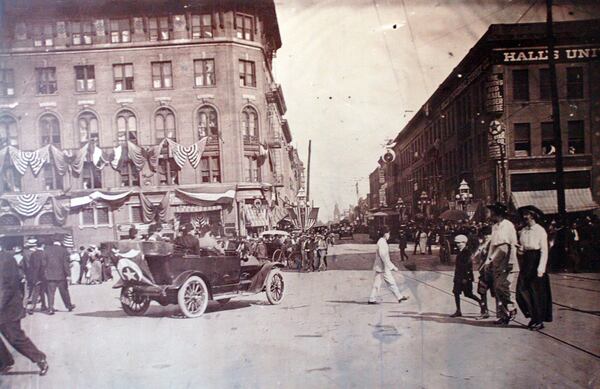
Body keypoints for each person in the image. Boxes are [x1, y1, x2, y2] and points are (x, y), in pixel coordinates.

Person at [0, 243, 49, 376]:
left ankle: (40, 359)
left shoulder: (5, 259)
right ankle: (4, 362)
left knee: (15, 337)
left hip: (8, 307)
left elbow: (6, 288)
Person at [516, 206, 553, 330]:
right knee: (521, 291)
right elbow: (522, 249)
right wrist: (520, 250)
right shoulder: (523, 231)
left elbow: (544, 251)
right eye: (524, 215)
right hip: (526, 261)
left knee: (536, 293)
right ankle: (532, 315)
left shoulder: (540, 230)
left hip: (536, 261)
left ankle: (539, 320)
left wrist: (541, 268)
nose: (525, 217)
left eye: (527, 215)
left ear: (533, 216)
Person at [482, 202, 518, 325]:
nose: (490, 215)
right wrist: (488, 261)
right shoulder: (495, 227)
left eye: (492, 212)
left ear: (497, 213)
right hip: (496, 258)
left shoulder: (508, 225)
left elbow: (512, 244)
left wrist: (512, 260)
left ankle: (511, 306)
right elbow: (492, 246)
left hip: (506, 257)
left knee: (501, 286)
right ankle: (503, 316)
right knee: (496, 289)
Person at [368, 227, 410, 304]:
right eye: (388, 233)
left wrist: (391, 266)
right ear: (385, 234)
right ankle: (372, 299)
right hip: (382, 267)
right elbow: (383, 256)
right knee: (385, 283)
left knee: (387, 282)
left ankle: (399, 297)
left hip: (383, 267)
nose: (389, 235)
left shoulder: (382, 241)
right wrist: (392, 267)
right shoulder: (381, 242)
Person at [450, 235, 485, 317]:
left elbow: (468, 266)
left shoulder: (467, 252)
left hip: (465, 278)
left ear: (464, 243)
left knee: (468, 294)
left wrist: (466, 278)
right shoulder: (461, 251)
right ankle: (458, 310)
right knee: (456, 292)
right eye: (457, 243)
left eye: (460, 243)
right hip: (458, 277)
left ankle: (481, 303)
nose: (458, 244)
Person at [43, 236, 75, 314]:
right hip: (61, 276)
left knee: (51, 293)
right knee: (64, 291)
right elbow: (65, 264)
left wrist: (46, 272)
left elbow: (43, 263)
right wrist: (68, 275)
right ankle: (68, 306)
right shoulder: (63, 250)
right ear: (60, 242)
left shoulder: (46, 250)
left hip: (50, 275)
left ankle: (50, 308)